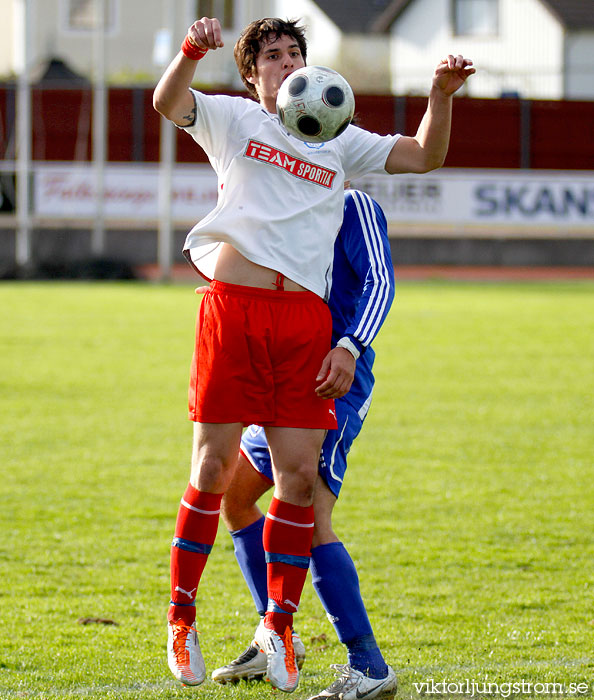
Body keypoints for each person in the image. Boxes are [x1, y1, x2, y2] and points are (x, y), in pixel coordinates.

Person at [153, 14, 473, 694]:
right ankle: (181, 615)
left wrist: (440, 97)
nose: (285, 61)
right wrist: (189, 51)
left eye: (295, 52)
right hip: (234, 312)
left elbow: (423, 157)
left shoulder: (336, 139)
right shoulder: (234, 121)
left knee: (296, 485)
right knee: (214, 470)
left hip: (303, 323)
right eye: (272, 54)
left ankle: (279, 625)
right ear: (252, 74)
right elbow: (167, 102)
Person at [210, 187, 397, 700]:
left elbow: (382, 283)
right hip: (281, 370)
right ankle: (277, 635)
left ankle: (368, 665)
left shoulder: (352, 203)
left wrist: (350, 346)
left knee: (309, 516)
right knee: (235, 494)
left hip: (332, 376)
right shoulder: (281, 196)